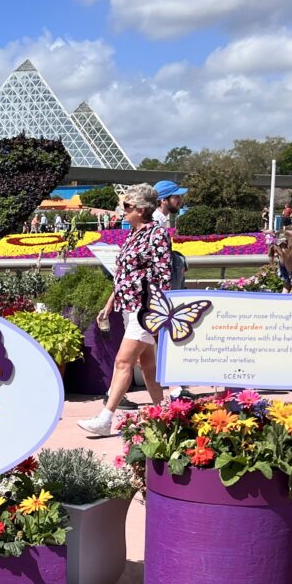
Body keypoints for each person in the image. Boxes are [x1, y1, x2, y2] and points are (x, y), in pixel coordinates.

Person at [78, 184, 170, 437]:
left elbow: (163, 276)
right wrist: (110, 303)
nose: (122, 211)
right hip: (129, 307)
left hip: (145, 309)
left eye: (127, 207)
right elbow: (123, 276)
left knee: (123, 361)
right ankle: (163, 414)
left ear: (141, 209)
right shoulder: (132, 235)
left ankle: (106, 417)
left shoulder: (157, 235)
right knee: (147, 365)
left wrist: (152, 308)